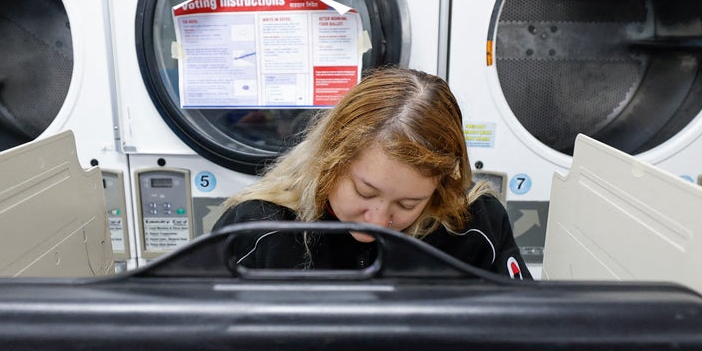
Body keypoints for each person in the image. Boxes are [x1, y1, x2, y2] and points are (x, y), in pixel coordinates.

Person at [212, 66, 528, 279]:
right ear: (329, 161)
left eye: (408, 205)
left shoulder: (473, 224)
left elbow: (523, 332)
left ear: (441, 189)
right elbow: (201, 339)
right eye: (365, 192)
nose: (377, 222)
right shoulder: (258, 228)